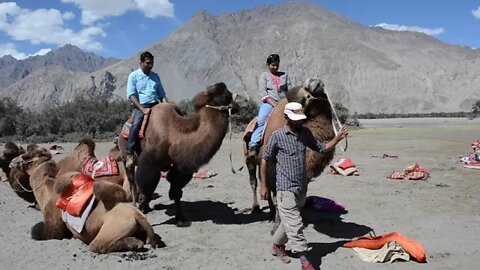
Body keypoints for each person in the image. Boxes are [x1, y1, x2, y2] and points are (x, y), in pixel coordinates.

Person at [260, 102, 348, 270]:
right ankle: (304, 260)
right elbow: (265, 159)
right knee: (295, 223)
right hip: (285, 188)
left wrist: (337, 138)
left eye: (301, 119)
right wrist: (263, 185)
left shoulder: (305, 133)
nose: (299, 122)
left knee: (287, 223)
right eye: (296, 119)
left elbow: (321, 148)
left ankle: (277, 246)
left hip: (301, 187)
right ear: (286, 117)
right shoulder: (277, 136)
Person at [125, 51, 168, 164]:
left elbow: (162, 94)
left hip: (156, 104)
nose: (150, 65)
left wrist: (167, 107)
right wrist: (142, 109)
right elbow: (131, 95)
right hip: (141, 106)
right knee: (136, 124)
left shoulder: (155, 76)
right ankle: (130, 152)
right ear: (141, 63)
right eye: (148, 63)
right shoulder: (133, 76)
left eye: (152, 63)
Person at [248, 54, 289, 157]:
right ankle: (253, 144)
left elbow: (290, 90)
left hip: (284, 102)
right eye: (272, 65)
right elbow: (263, 93)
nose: (275, 67)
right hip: (270, 103)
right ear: (268, 65)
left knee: (299, 117)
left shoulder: (284, 75)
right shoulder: (264, 76)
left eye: (277, 65)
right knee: (261, 119)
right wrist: (274, 104)